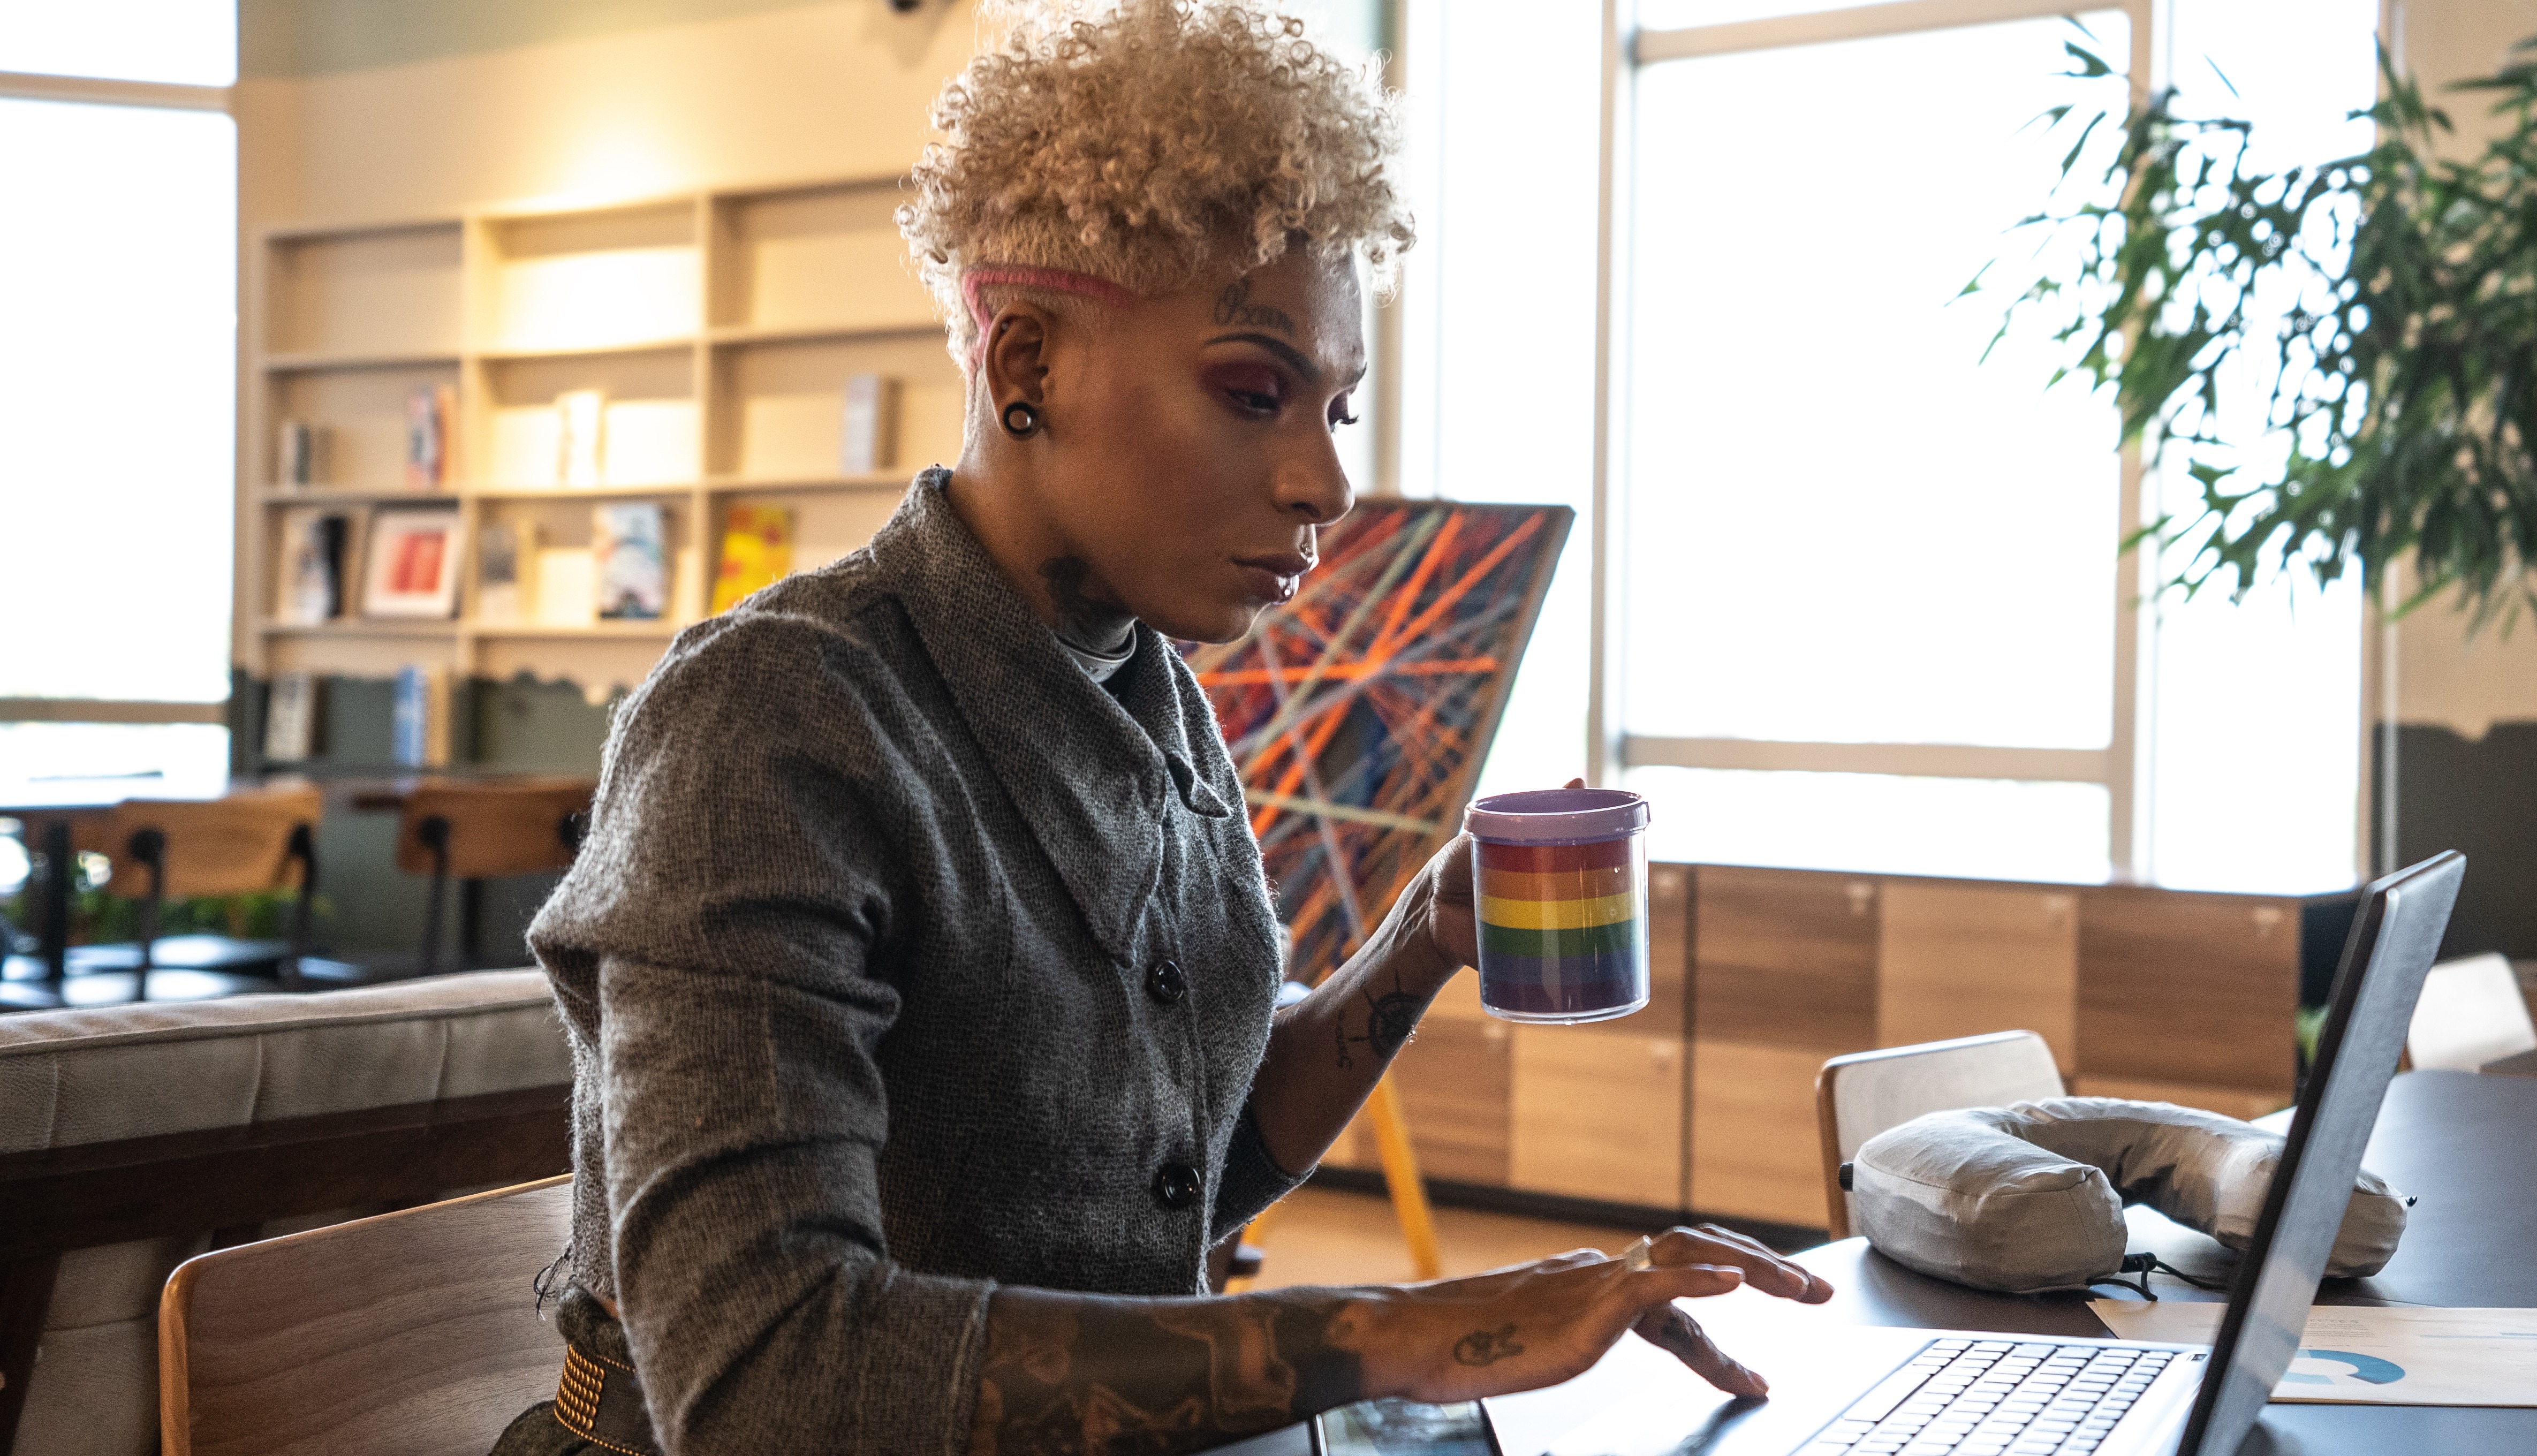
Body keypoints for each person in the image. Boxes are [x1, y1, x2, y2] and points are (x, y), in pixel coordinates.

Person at [490, 5, 1829, 1455]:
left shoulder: (1154, 699)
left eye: (1338, 411)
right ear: (1028, 367)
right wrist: (1389, 1331)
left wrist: (1419, 944)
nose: (1322, 481)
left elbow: (1163, 1183)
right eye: (1254, 393)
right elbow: (766, 1379)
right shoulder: (775, 723)